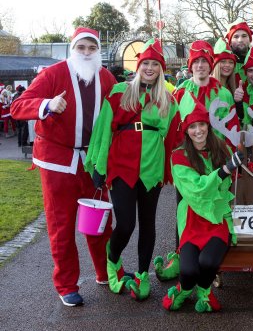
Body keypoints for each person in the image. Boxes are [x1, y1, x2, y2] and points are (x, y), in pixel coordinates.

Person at [10, 27, 117, 307]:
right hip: (57, 162)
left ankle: (105, 272)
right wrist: (46, 103)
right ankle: (67, 283)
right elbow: (19, 106)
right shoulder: (53, 73)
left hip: (92, 162)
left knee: (100, 221)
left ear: (98, 51)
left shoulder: (105, 77)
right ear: (73, 49)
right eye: (81, 47)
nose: (86, 53)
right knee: (62, 224)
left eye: (91, 48)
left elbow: (121, 110)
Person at [85, 38, 178, 301]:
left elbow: (172, 138)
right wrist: (99, 167)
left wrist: (173, 170)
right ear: (138, 66)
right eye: (145, 63)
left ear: (161, 68)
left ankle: (141, 275)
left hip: (152, 166)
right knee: (125, 223)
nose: (150, 68)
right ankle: (112, 262)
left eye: (155, 64)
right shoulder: (118, 93)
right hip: (121, 165)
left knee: (148, 224)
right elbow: (104, 130)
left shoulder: (168, 100)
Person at [154, 39, 240, 282]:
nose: (201, 66)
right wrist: (170, 168)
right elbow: (173, 130)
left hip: (217, 159)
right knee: (185, 208)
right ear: (190, 66)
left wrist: (232, 160)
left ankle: (212, 264)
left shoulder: (222, 92)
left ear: (209, 64)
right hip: (187, 161)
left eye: (204, 61)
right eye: (196, 62)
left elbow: (232, 127)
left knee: (216, 205)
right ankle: (183, 255)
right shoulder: (180, 92)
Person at [162, 93, 243, 312]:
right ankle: (185, 289)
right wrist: (225, 170)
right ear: (186, 131)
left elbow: (232, 182)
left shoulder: (220, 149)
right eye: (192, 127)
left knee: (208, 263)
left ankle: (205, 291)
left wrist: (245, 165)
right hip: (192, 220)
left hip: (217, 217)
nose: (198, 130)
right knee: (188, 271)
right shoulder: (178, 156)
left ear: (208, 126)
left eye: (202, 125)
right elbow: (197, 188)